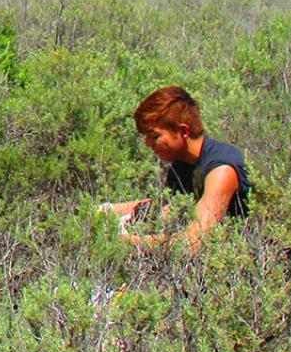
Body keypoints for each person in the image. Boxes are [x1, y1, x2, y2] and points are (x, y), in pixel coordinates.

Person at [100, 86, 251, 251]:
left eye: (155, 136)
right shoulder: (182, 163)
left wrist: (127, 242)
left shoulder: (222, 169)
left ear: (183, 131)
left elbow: (193, 243)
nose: (148, 144)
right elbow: (164, 206)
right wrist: (103, 211)